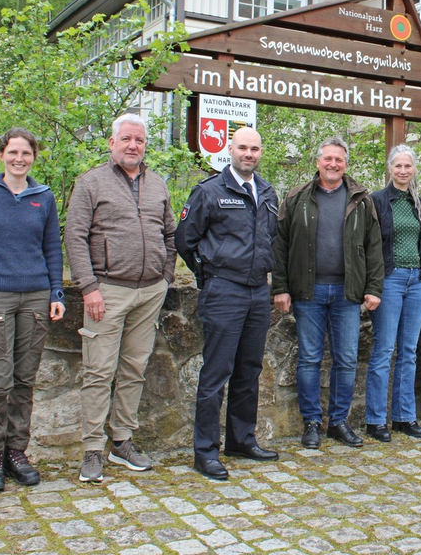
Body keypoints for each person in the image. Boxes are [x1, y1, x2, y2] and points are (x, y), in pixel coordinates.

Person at [66, 114, 176, 482]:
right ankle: (92, 449)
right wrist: (88, 287)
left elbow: (171, 236)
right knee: (98, 372)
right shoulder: (90, 183)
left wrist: (166, 278)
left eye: (140, 140)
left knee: (133, 370)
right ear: (112, 143)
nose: (133, 145)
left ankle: (122, 442)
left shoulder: (158, 184)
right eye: (126, 139)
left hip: (149, 291)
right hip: (107, 292)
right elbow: (75, 238)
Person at [175, 127, 279, 480]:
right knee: (216, 372)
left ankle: (241, 439)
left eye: (254, 148)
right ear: (229, 150)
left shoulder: (266, 191)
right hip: (224, 291)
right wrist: (209, 276)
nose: (248, 154)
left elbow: (270, 240)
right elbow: (185, 241)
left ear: (261, 152)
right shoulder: (209, 191)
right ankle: (205, 451)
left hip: (257, 292)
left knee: (249, 370)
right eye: (242, 148)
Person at [272, 137, 384, 449]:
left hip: (348, 293)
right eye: (328, 159)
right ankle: (311, 422)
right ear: (318, 162)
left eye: (339, 160)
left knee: (346, 359)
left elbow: (374, 247)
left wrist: (373, 288)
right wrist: (280, 287)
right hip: (309, 291)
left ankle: (337, 422)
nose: (333, 164)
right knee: (309, 358)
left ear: (345, 164)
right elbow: (279, 245)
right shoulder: (297, 198)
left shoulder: (361, 199)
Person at [0, 128, 65, 490]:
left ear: (34, 157)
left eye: (26, 153)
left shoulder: (44, 197)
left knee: (24, 379)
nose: (19, 159)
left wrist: (57, 292)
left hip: (36, 296)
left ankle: (16, 453)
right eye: (13, 152)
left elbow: (53, 248)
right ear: (1, 154)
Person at [365, 145, 421, 442]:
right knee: (384, 350)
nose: (403, 171)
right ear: (390, 169)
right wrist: (371, 285)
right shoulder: (377, 201)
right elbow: (369, 248)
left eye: (408, 166)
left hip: (417, 282)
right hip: (390, 281)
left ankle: (404, 417)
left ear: (414, 169)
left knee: (408, 352)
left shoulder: (419, 203)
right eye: (398, 166)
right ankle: (375, 419)